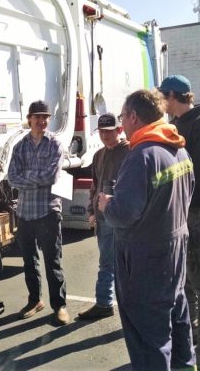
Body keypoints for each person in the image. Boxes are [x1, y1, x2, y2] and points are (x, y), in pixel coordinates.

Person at [98, 89, 196, 370]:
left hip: (144, 261)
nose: (122, 123)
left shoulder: (142, 155)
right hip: (174, 253)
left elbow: (124, 214)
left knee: (148, 340)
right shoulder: (178, 147)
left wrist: (106, 205)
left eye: (122, 117)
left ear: (132, 116)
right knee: (178, 323)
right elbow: (188, 193)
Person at [159, 75, 200, 369]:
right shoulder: (179, 124)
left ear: (175, 96)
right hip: (181, 211)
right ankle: (193, 337)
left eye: (164, 97)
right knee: (185, 280)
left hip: (194, 212)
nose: (161, 103)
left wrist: (178, 196)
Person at [8, 100, 69, 326]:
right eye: (38, 117)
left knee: (53, 261)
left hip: (48, 211)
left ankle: (60, 306)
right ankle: (35, 301)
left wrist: (27, 177)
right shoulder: (20, 146)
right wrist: (35, 177)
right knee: (28, 261)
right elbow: (12, 178)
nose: (42, 121)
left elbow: (51, 177)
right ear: (29, 118)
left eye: (46, 117)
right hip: (24, 212)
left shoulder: (55, 144)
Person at [78, 113, 130, 320]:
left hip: (123, 218)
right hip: (103, 219)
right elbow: (94, 185)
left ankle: (131, 308)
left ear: (119, 130)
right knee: (106, 263)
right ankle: (104, 303)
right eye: (101, 132)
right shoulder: (98, 155)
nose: (105, 135)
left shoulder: (130, 151)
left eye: (109, 131)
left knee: (128, 265)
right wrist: (91, 212)